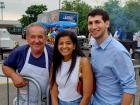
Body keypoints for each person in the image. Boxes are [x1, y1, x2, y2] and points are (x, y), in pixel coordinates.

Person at [87, 9, 137, 105]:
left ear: (107, 24)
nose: (93, 27)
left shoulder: (118, 51)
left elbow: (129, 87)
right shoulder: (94, 46)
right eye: (90, 23)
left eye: (97, 22)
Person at [2, 23, 53, 105]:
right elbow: (6, 66)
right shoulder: (19, 52)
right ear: (27, 38)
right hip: (24, 102)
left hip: (46, 102)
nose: (36, 41)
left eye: (40, 37)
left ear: (46, 38)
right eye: (32, 37)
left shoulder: (52, 53)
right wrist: (13, 75)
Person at [50, 30, 95, 105]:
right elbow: (53, 88)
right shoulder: (55, 63)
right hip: (60, 102)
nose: (64, 46)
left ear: (74, 46)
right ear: (57, 46)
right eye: (61, 43)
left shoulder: (83, 62)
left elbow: (87, 95)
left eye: (68, 43)